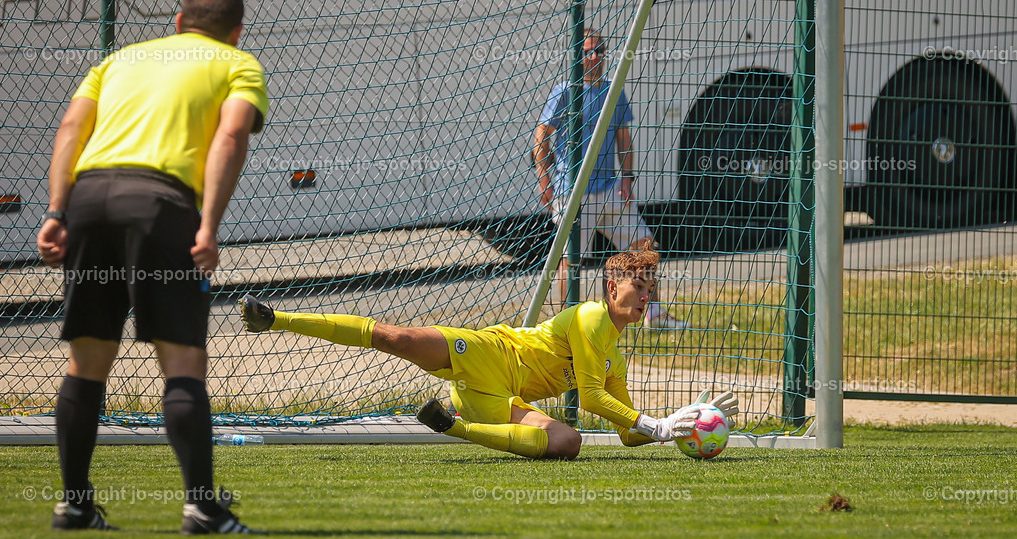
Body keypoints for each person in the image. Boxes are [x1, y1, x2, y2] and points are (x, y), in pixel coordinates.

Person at [36, 0, 268, 534]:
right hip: (160, 206)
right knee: (183, 363)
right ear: (236, 32)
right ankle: (202, 509)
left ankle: (74, 506)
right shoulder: (238, 64)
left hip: (89, 200)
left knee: (86, 362)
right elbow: (231, 136)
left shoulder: (118, 60)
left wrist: (56, 211)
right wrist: (208, 225)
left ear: (179, 21)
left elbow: (70, 129)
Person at [238, 247, 737, 460]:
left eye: (651, 288)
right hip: (488, 353)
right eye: (639, 286)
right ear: (612, 288)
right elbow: (589, 397)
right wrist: (656, 425)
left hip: (495, 403)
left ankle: (452, 425)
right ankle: (275, 318)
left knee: (568, 442)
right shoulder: (591, 316)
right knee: (397, 338)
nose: (647, 296)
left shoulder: (616, 357)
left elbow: (627, 435)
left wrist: (682, 421)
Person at [533, 30, 686, 329]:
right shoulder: (565, 91)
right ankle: (566, 323)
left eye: (599, 51)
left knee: (644, 247)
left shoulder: (613, 90)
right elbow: (542, 135)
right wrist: (544, 180)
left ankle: (654, 315)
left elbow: (623, 138)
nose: (594, 57)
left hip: (610, 190)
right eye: (588, 52)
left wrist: (626, 179)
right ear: (577, 57)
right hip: (573, 193)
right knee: (570, 260)